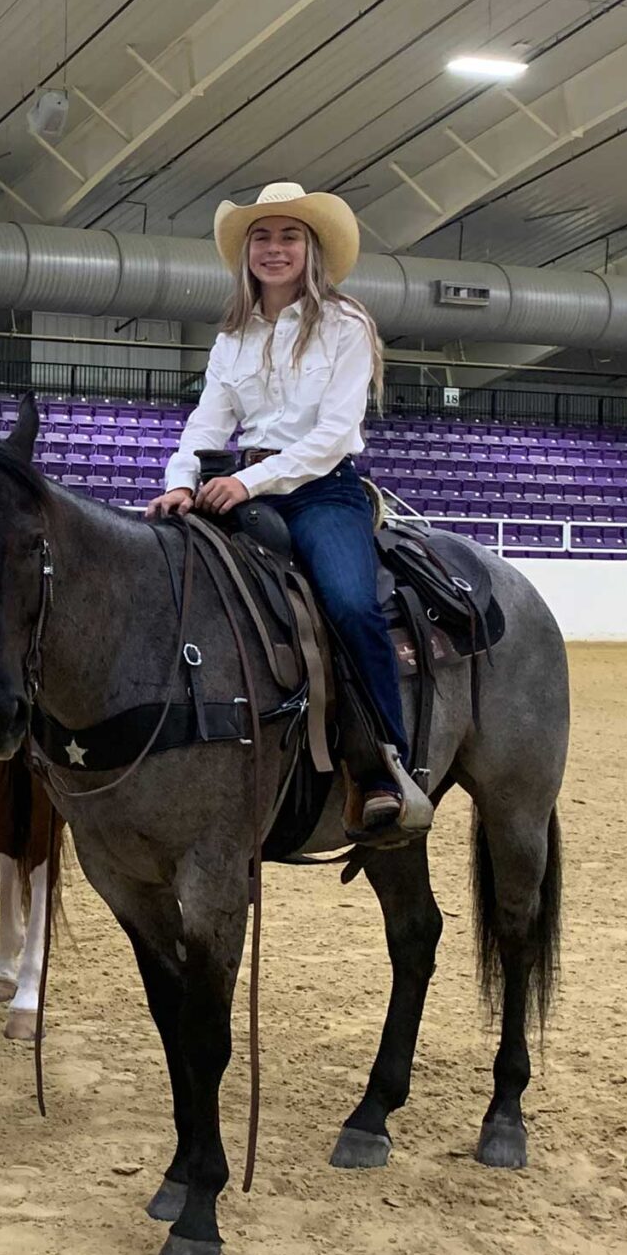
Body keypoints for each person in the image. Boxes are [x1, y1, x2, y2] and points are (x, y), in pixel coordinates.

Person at [145, 181, 432, 845]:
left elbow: (334, 434)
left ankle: (385, 763)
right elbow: (205, 424)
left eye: (289, 237)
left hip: (320, 490)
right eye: (263, 238)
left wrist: (250, 481)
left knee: (350, 603)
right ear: (247, 252)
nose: (274, 250)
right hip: (239, 484)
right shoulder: (232, 336)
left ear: (312, 250)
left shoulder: (347, 324)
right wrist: (182, 480)